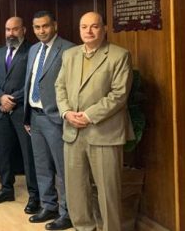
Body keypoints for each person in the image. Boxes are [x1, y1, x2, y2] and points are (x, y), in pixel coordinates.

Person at [55, 12, 133, 231]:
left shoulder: (119, 55)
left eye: (94, 26)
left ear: (105, 28)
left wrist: (88, 116)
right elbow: (60, 87)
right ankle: (84, 228)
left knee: (108, 193)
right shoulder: (69, 55)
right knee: (76, 190)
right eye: (84, 27)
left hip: (104, 133)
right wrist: (66, 112)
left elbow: (119, 95)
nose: (88, 31)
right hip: (73, 131)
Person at [23, 11, 75, 230]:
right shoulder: (33, 49)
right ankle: (48, 206)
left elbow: (72, 86)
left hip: (56, 118)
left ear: (55, 25)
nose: (41, 31)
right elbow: (30, 82)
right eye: (37, 27)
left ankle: (67, 212)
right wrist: (27, 115)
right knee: (42, 165)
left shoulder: (69, 49)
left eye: (45, 26)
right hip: (35, 116)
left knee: (62, 169)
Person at [0, 16, 40, 214]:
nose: (11, 33)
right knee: (4, 152)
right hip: (2, 111)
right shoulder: (0, 53)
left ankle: (35, 195)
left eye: (15, 29)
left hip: (22, 112)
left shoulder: (32, 52)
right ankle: (6, 189)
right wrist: (1, 97)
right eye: (8, 30)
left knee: (29, 155)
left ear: (24, 30)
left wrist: (12, 99)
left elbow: (33, 81)